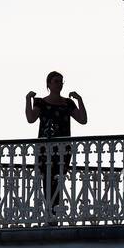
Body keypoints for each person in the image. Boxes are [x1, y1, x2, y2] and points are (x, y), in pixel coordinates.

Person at [24, 71, 87, 214]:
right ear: (49, 84)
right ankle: (50, 212)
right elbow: (31, 118)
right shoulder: (41, 102)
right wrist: (28, 99)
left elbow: (82, 119)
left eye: (61, 81)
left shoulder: (68, 103)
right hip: (45, 149)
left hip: (63, 149)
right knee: (47, 180)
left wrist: (80, 100)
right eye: (56, 81)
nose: (59, 84)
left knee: (59, 180)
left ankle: (56, 212)